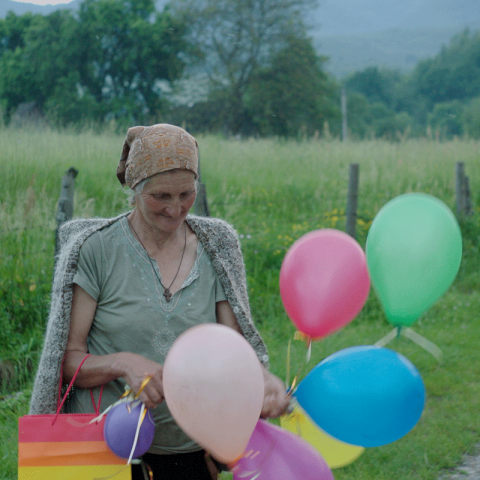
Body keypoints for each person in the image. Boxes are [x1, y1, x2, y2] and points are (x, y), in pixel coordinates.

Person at [30, 123, 289, 480]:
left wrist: (263, 379)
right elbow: (68, 360)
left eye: (186, 194)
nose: (175, 208)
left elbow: (236, 349)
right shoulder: (96, 250)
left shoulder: (217, 248)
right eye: (160, 196)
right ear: (135, 188)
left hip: (189, 448)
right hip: (104, 451)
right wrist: (123, 364)